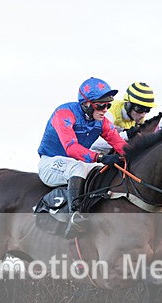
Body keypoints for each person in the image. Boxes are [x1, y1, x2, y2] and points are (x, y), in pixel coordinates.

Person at [37, 76, 127, 238]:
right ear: (86, 104)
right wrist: (100, 157)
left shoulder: (102, 122)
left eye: (108, 105)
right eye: (101, 105)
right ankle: (75, 215)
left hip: (77, 164)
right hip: (50, 162)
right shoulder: (64, 113)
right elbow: (71, 148)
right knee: (78, 166)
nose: (105, 110)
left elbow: (120, 144)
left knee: (102, 171)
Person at [90, 81, 156, 152]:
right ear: (128, 105)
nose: (143, 115)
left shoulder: (138, 118)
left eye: (147, 110)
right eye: (139, 109)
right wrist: (127, 135)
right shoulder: (109, 112)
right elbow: (95, 144)